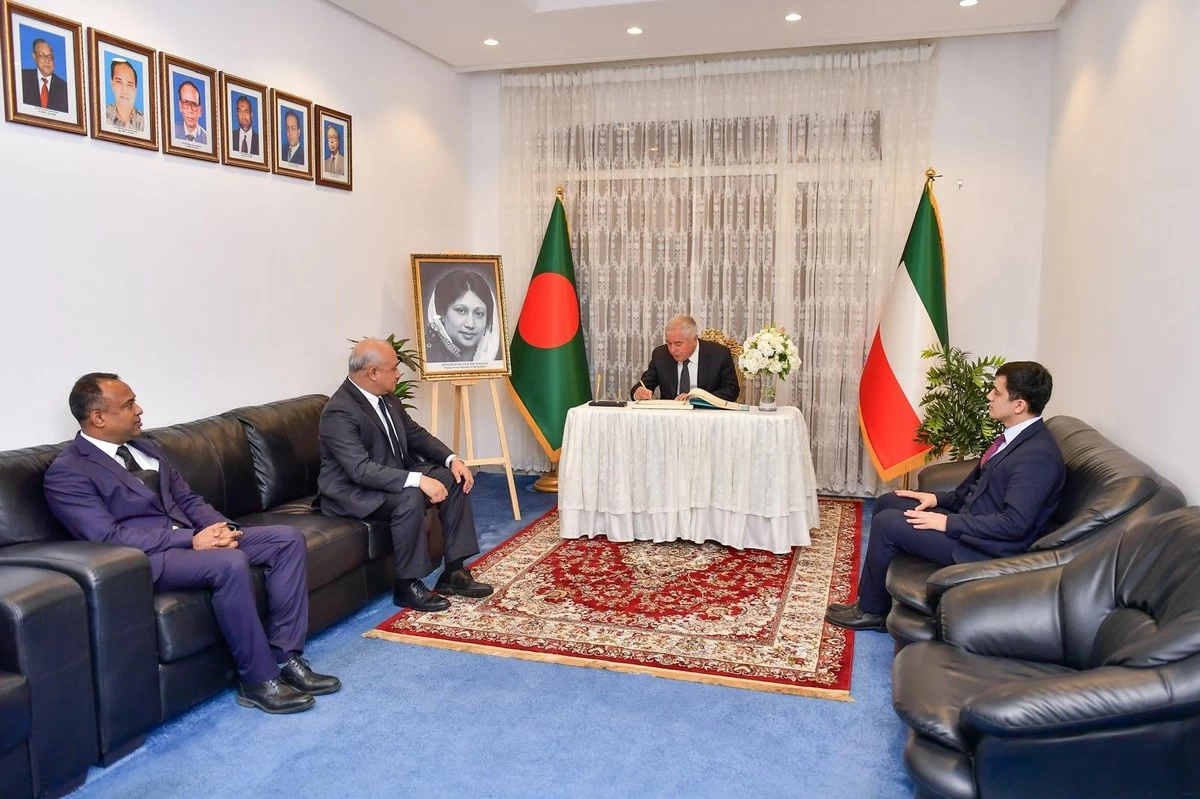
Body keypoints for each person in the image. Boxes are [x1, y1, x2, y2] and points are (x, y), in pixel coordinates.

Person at [43, 373, 340, 713]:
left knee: (286, 539)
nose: (139, 410)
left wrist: (219, 528)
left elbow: (187, 500)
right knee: (228, 563)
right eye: (128, 405)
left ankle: (285, 656)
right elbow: (107, 537)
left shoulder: (146, 447)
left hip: (192, 541)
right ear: (98, 418)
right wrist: (190, 539)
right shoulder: (68, 472)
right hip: (146, 558)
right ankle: (257, 679)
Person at [825, 361, 1066, 632]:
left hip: (985, 548)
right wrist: (936, 501)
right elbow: (975, 488)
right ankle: (870, 598)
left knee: (888, 524)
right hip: (971, 523)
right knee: (888, 501)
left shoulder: (1037, 457)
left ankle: (871, 612)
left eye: (997, 392)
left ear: (1019, 405)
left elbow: (1015, 524)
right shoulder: (1014, 438)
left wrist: (946, 523)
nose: (989, 396)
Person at [317, 339, 493, 612]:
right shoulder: (339, 411)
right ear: (372, 372)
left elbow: (415, 435)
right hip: (352, 491)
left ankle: (454, 572)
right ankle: (407, 584)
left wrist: (452, 459)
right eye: (394, 368)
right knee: (409, 495)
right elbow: (359, 470)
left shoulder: (387, 399)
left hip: (388, 477)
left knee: (453, 478)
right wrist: (418, 479)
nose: (399, 373)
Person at [631, 314, 740, 401]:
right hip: (670, 420)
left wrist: (697, 398)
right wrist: (638, 392)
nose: (672, 350)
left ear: (694, 339)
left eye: (678, 344)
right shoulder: (661, 355)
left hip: (706, 416)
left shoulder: (719, 354)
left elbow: (731, 390)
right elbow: (643, 385)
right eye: (669, 343)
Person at [424, 269, 500, 363]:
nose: (470, 324)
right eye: (461, 311)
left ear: (488, 320)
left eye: (479, 314)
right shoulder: (426, 356)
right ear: (442, 313)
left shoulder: (491, 359)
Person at [20, 38, 68, 112]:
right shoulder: (21, 78)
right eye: (42, 56)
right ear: (34, 57)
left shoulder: (64, 87)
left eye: (50, 57)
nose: (47, 61)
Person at [103, 59, 143, 132]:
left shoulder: (144, 122)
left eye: (129, 84)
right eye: (119, 82)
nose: (124, 90)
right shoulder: (102, 114)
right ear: (112, 84)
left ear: (135, 90)